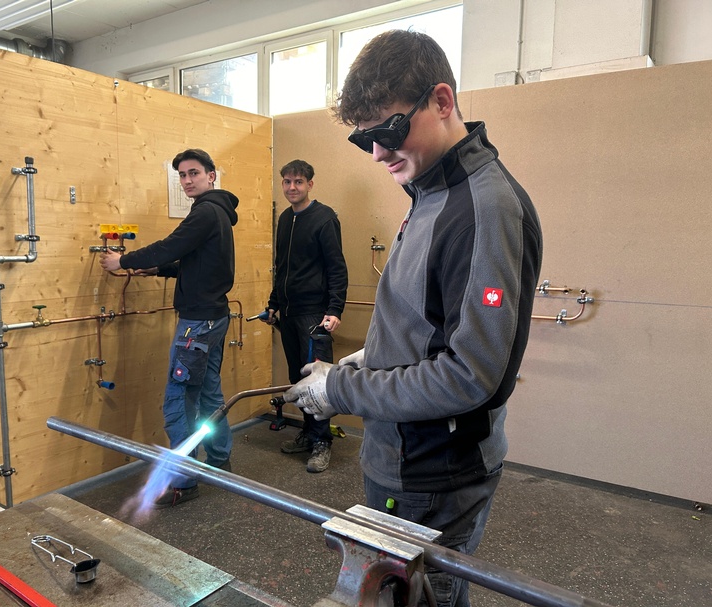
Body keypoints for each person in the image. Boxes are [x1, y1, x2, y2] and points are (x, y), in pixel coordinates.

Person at [283, 31, 543, 606]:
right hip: (402, 454)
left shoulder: (481, 209)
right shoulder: (428, 190)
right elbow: (424, 322)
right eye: (363, 140)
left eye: (389, 131)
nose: (377, 153)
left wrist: (343, 388)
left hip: (434, 472)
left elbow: (470, 376)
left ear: (442, 102)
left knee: (422, 600)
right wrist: (369, 358)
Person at [99, 148, 238, 508]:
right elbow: (197, 264)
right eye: (182, 174)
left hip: (197, 323)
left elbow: (170, 246)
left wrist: (123, 260)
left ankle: (184, 480)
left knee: (177, 399)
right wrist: (157, 270)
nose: (187, 180)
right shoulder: (218, 212)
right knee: (209, 393)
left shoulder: (205, 212)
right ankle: (220, 459)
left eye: (194, 173)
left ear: (211, 175)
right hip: (215, 317)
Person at [265, 160, 348, 473]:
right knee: (297, 378)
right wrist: (274, 302)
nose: (291, 188)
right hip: (288, 312)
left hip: (314, 313)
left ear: (310, 184)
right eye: (286, 182)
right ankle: (307, 433)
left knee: (318, 380)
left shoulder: (324, 218)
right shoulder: (286, 218)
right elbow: (282, 266)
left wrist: (335, 309)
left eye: (298, 182)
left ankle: (322, 441)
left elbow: (336, 267)